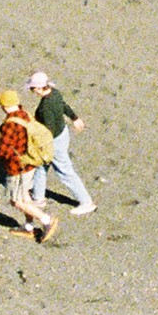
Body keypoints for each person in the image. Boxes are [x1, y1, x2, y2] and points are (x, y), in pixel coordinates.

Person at [28, 70, 97, 216]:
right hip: (62, 133)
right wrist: (75, 118)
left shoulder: (45, 107)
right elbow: (63, 106)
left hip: (53, 142)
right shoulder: (55, 93)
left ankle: (86, 202)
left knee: (65, 171)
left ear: (39, 88)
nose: (32, 91)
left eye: (33, 88)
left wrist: (38, 143)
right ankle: (38, 198)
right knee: (40, 166)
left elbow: (48, 130)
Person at [0, 88, 55, 241]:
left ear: (4, 106)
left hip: (17, 168)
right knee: (25, 196)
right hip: (30, 163)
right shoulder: (25, 114)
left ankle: (47, 220)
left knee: (16, 201)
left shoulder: (10, 125)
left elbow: (3, 151)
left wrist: (1, 160)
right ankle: (28, 227)